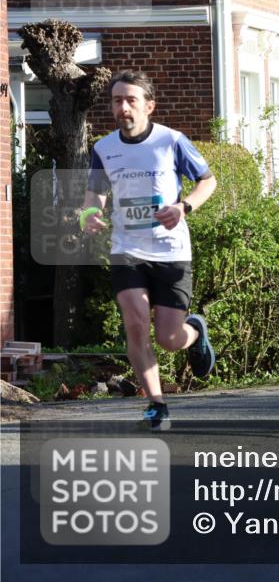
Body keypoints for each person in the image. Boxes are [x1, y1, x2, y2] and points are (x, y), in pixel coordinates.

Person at [81, 70, 217, 431]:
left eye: (131, 100)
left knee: (169, 339)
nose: (123, 107)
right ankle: (157, 405)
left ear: (149, 106)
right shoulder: (103, 148)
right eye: (116, 100)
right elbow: (95, 193)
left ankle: (195, 331)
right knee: (136, 324)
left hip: (171, 250)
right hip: (127, 249)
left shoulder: (171, 141)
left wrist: (184, 207)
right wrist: (91, 214)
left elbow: (207, 180)